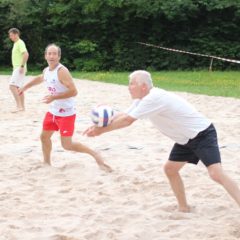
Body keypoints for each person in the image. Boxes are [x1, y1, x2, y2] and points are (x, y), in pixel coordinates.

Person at [84, 70, 240, 211]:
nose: (128, 87)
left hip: (202, 134)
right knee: (170, 169)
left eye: (131, 84)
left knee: (216, 174)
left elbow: (127, 121)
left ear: (143, 86)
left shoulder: (153, 98)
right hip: (185, 139)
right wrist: (98, 124)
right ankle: (184, 208)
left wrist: (100, 131)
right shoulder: (141, 99)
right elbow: (124, 115)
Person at [19, 44, 112, 172]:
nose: (51, 56)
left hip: (66, 114)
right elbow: (40, 78)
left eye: (54, 54)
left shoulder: (62, 71)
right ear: (45, 56)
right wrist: (25, 87)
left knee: (67, 145)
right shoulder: (47, 70)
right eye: (49, 53)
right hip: (52, 111)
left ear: (59, 56)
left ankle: (94, 154)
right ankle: (47, 163)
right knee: (44, 137)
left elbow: (74, 91)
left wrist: (54, 97)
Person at [8, 28, 29, 112]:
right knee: (19, 88)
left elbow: (26, 54)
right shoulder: (16, 43)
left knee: (12, 86)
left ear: (16, 34)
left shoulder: (20, 43)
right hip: (18, 68)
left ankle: (18, 106)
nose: (10, 37)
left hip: (19, 68)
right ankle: (22, 107)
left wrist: (22, 66)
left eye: (11, 35)